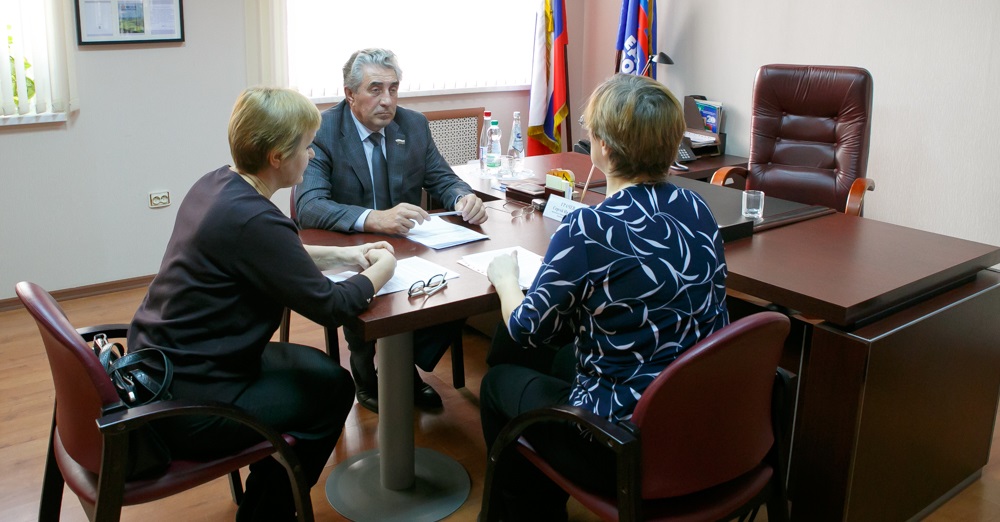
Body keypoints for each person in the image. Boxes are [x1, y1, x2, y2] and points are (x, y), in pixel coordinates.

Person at [128, 87, 397, 521]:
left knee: (322, 375)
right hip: (190, 405)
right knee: (334, 392)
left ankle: (268, 486)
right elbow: (331, 307)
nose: (312, 155)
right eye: (307, 147)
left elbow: (273, 252)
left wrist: (346, 256)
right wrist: (384, 267)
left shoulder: (216, 184)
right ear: (277, 157)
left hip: (163, 367)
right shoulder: (256, 219)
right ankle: (266, 512)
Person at [480, 73, 731, 521]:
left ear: (605, 148)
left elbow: (525, 329)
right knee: (558, 358)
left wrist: (505, 278)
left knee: (499, 381)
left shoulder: (590, 227)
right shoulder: (697, 207)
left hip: (622, 444)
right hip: (699, 419)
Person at [296, 48, 487, 414]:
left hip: (407, 245)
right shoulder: (324, 131)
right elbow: (310, 206)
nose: (387, 100)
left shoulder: (413, 125)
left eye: (393, 89)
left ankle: (401, 364)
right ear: (350, 94)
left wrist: (463, 197)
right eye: (375, 89)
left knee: (466, 281)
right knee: (365, 289)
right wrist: (373, 218)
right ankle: (365, 371)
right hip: (349, 247)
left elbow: (443, 178)